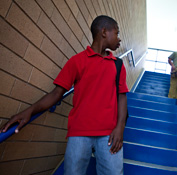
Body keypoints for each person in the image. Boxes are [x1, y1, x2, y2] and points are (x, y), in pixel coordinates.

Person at [0, 15, 128, 175]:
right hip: (79, 132)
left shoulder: (117, 64)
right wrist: (29, 111)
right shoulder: (77, 61)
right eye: (116, 33)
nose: (119, 39)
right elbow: (56, 94)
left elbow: (122, 97)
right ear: (104, 32)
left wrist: (120, 127)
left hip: (109, 133)